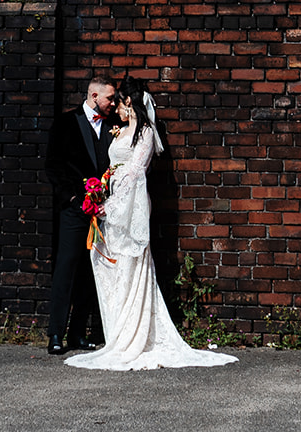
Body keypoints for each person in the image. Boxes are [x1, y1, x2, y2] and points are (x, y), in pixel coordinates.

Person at [65, 77, 237, 371]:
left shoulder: (144, 132)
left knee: (132, 267)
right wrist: (101, 192)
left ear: (129, 102)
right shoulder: (119, 132)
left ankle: (135, 336)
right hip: (111, 207)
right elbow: (114, 168)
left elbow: (134, 172)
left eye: (119, 101)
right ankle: (118, 332)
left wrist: (112, 204)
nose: (115, 107)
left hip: (128, 209)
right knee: (110, 266)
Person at [44, 74, 118, 354]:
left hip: (103, 212)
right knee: (67, 268)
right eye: (109, 98)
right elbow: (53, 166)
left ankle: (77, 334)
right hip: (75, 211)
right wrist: (73, 198)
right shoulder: (65, 123)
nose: (113, 103)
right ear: (94, 96)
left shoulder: (113, 126)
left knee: (91, 271)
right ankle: (55, 334)